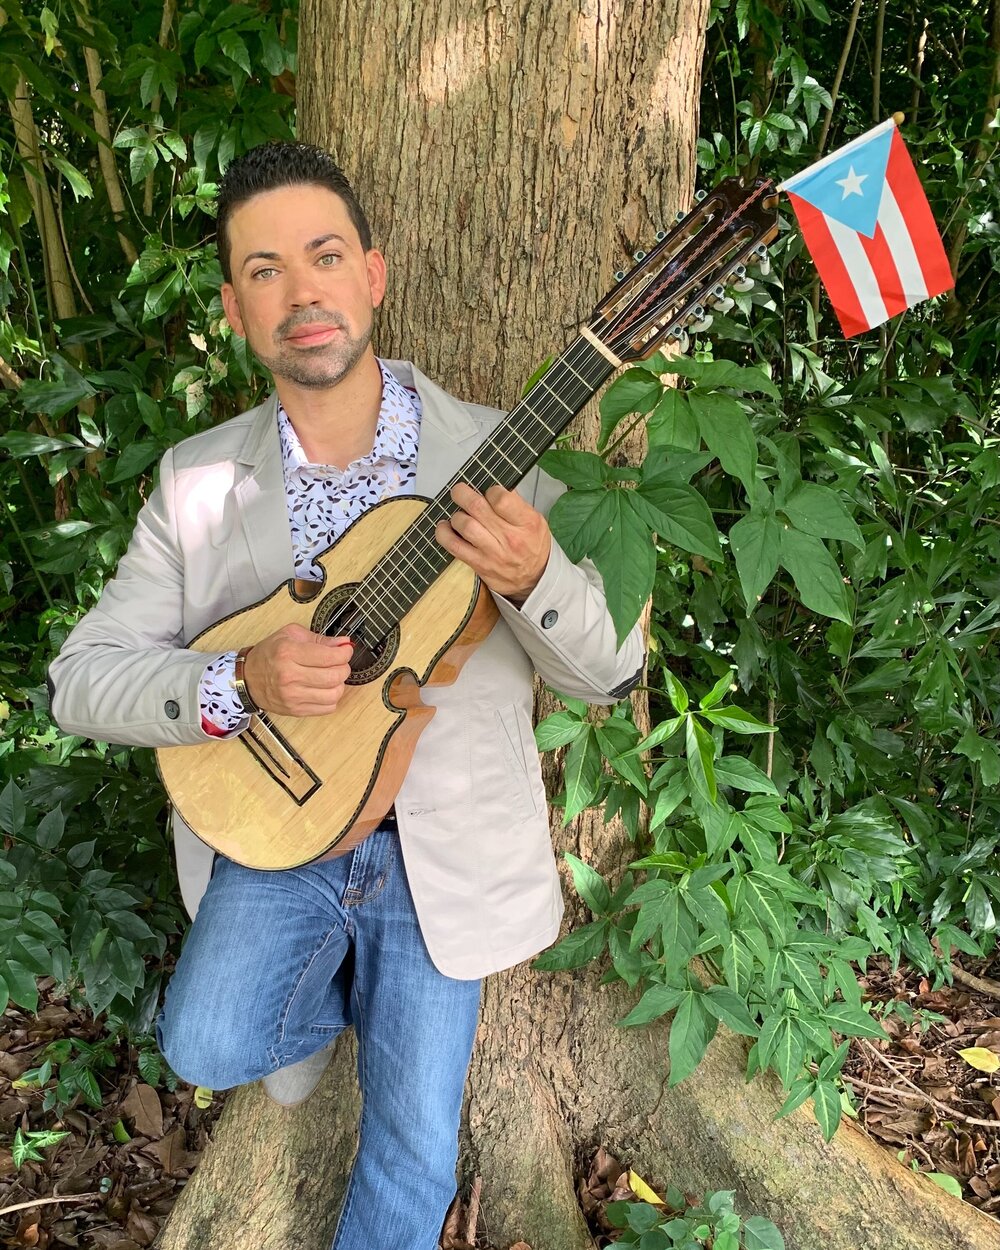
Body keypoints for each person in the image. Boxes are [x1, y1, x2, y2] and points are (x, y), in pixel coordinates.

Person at [48, 141, 645, 1250]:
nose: (302, 289)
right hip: (276, 829)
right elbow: (80, 680)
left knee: (415, 1139)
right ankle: (334, 1002)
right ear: (234, 307)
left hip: (441, 858)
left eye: (324, 255)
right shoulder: (197, 479)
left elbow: (608, 667)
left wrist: (534, 578)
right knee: (207, 1043)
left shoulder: (501, 454)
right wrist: (238, 676)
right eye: (266, 268)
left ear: (373, 272)